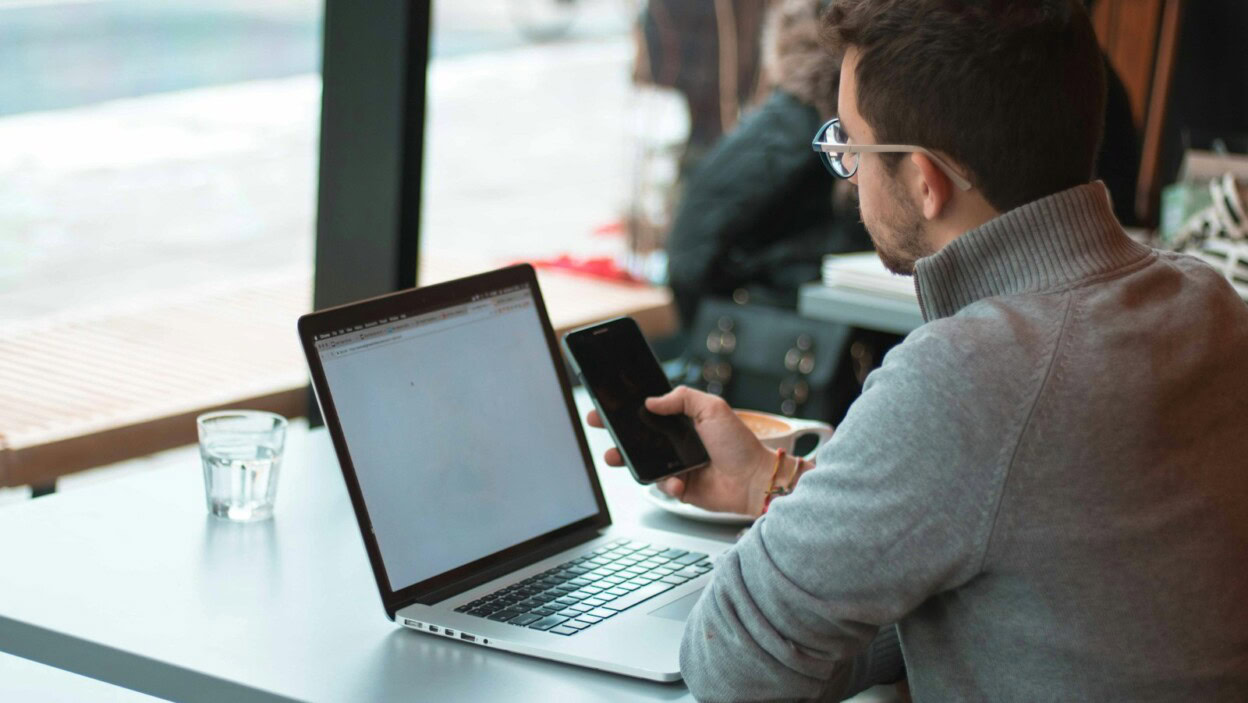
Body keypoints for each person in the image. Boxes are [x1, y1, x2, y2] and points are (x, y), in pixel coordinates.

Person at [587, 0, 1248, 700]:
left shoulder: (969, 374)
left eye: (851, 144)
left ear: (926, 182)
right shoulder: (1208, 303)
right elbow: (1016, 567)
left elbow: (731, 665)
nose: (846, 167)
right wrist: (772, 482)